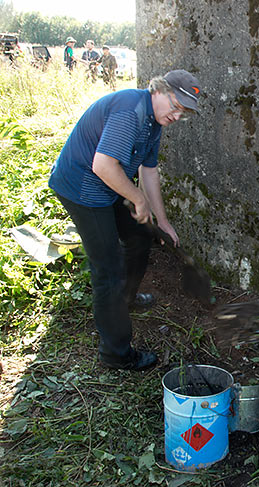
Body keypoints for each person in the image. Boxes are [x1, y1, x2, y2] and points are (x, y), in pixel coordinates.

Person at [48, 70, 202, 371]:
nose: (176, 114)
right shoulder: (130, 111)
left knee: (141, 235)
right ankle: (115, 353)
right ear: (158, 89)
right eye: (175, 104)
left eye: (183, 111)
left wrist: (162, 220)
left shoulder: (154, 122)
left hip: (109, 185)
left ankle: (126, 298)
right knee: (108, 269)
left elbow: (148, 171)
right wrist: (139, 199)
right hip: (82, 189)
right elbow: (103, 165)